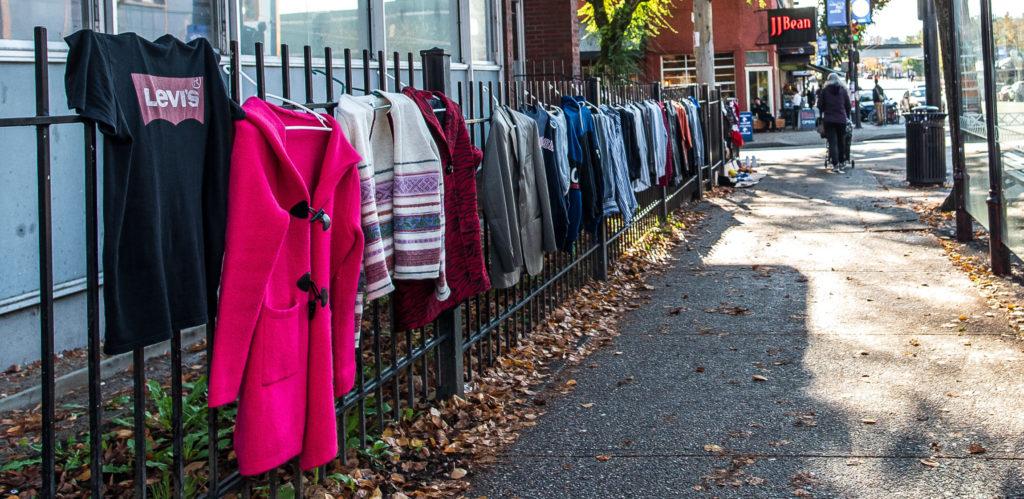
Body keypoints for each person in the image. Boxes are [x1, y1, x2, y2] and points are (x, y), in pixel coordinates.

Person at [818, 73, 852, 172]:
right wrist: (847, 117)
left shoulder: (824, 91)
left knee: (832, 142)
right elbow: (848, 106)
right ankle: (842, 162)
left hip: (829, 120)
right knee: (841, 141)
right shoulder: (843, 91)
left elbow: (820, 105)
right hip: (841, 120)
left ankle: (835, 164)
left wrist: (823, 112)